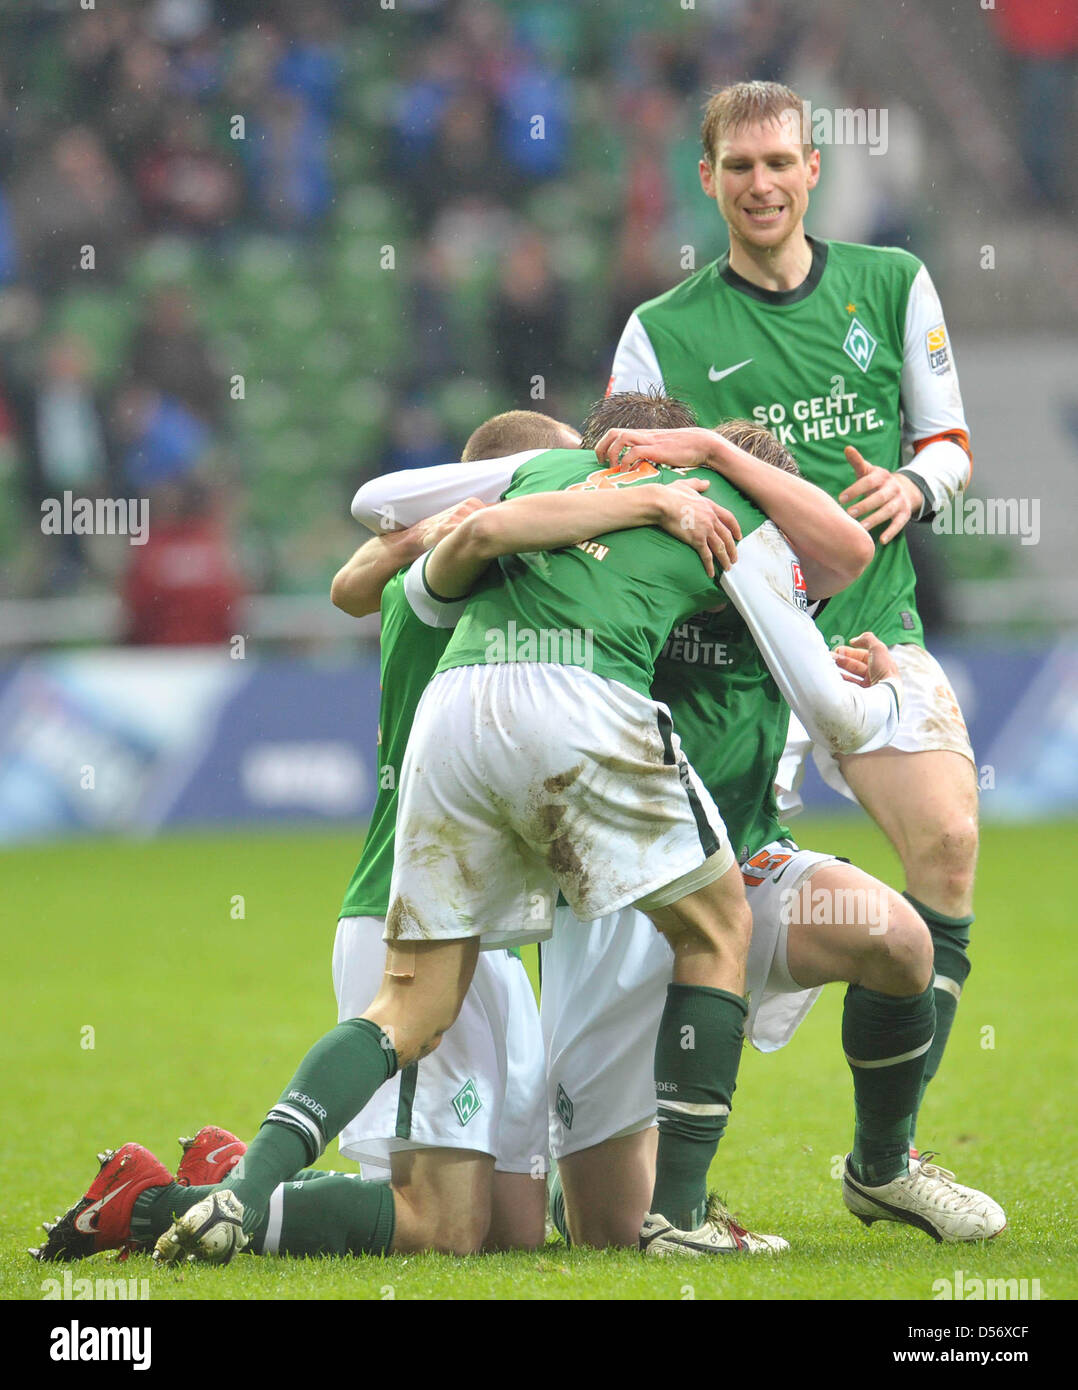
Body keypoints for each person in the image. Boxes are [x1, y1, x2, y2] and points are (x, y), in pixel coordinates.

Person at [153, 388, 877, 1263]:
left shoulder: (524, 503)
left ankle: (242, 1187)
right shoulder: (694, 503)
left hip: (456, 730)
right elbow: (846, 556)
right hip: (573, 704)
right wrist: (667, 496)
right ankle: (677, 1218)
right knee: (717, 928)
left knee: (493, 1198)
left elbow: (362, 570)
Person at [608, 80, 980, 1156]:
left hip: (872, 628)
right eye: (739, 168)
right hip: (728, 658)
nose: (761, 184)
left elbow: (948, 442)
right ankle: (615, 1139)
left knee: (947, 843)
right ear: (707, 179)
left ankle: (884, 1159)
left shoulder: (891, 282)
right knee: (675, 917)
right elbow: (626, 474)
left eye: (780, 164)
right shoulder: (659, 332)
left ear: (814, 169)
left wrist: (914, 488)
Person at [538, 421, 1004, 1248]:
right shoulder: (630, 546)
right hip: (620, 886)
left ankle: (883, 1166)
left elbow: (847, 553)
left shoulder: (780, 578)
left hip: (743, 859)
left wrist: (722, 458)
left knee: (897, 942)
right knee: (601, 1233)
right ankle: (582, 1182)